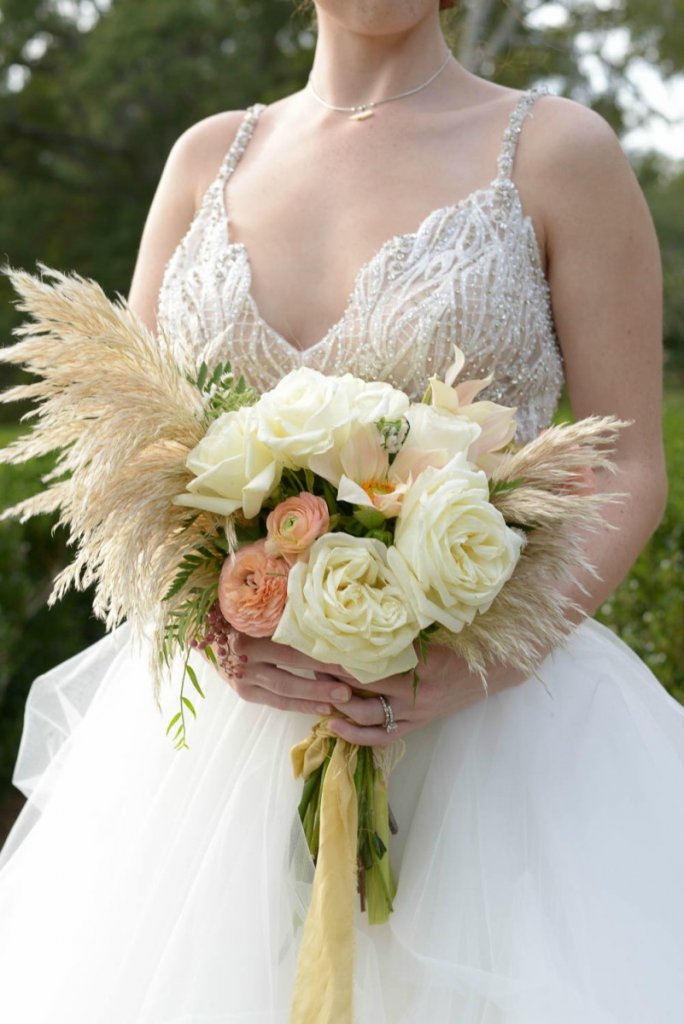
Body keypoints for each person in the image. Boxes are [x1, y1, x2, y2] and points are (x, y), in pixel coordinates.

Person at [1, 1, 683, 1021]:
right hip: (209, 755)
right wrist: (212, 634)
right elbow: (132, 471)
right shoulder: (205, 160)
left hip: (496, 742)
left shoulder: (558, 153)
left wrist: (479, 662)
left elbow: (629, 465)